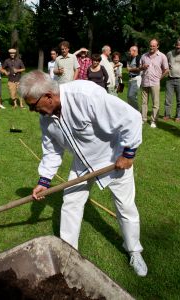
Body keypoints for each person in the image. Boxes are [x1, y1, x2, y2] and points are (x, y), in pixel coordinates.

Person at [19, 70, 148, 277]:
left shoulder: (85, 95)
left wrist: (128, 153)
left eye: (33, 105)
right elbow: (52, 150)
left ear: (49, 96)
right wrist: (44, 180)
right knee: (71, 203)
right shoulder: (46, 117)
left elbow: (131, 118)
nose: (32, 110)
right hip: (82, 165)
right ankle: (68, 254)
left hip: (113, 159)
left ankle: (134, 250)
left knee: (125, 206)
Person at [140, 39, 169, 128]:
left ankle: (153, 120)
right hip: (145, 81)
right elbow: (139, 67)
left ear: (157, 46)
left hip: (155, 82)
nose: (151, 47)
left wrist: (159, 78)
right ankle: (143, 119)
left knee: (155, 103)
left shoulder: (162, 56)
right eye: (150, 45)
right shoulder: (144, 56)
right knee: (144, 102)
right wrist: (142, 67)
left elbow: (166, 69)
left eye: (153, 45)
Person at [127, 46, 142, 110]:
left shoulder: (138, 58)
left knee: (132, 96)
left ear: (134, 51)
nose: (129, 52)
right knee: (129, 96)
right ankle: (131, 111)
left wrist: (130, 69)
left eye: (130, 51)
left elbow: (140, 68)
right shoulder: (131, 58)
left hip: (136, 78)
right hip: (131, 79)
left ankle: (136, 110)